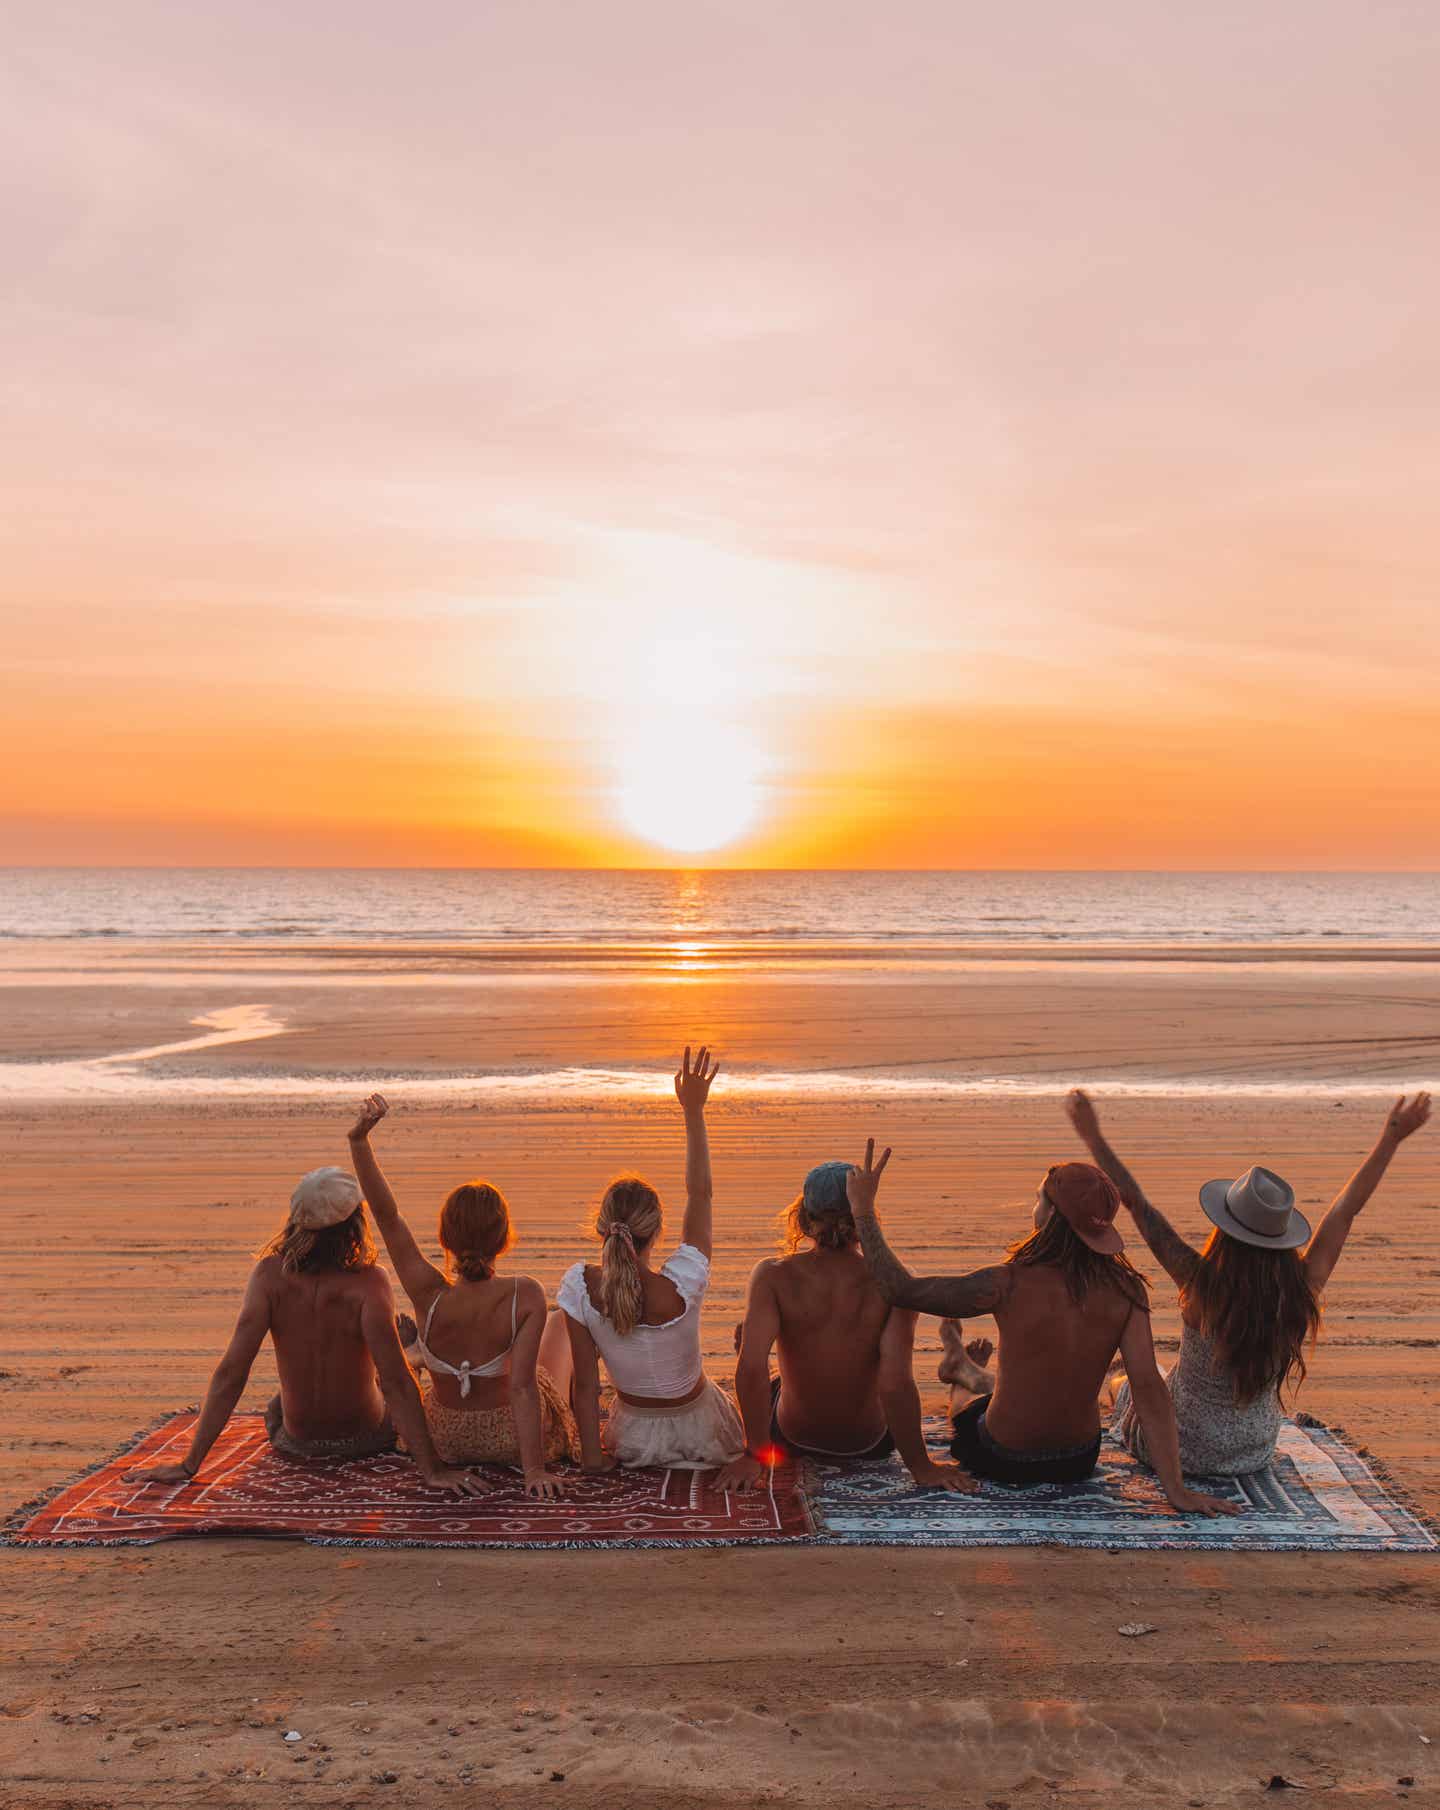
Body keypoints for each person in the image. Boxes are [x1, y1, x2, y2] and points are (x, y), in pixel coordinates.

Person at [849, 1139, 1237, 1515]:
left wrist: (863, 1211)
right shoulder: (1127, 1290)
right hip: (1078, 1461)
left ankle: (959, 1375)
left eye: (1038, 1200)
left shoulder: (1006, 1282)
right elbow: (1148, 1389)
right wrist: (1176, 1489)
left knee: (967, 1408)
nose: (1033, 1208)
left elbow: (898, 1288)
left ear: (1052, 1216)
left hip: (1001, 1457)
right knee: (1005, 1388)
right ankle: (965, 1368)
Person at [1065, 1088, 1432, 1475]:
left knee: (1123, 1379)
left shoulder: (1200, 1282)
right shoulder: (1300, 1287)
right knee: (1158, 1376)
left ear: (1224, 1230)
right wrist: (1390, 1140)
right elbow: (1345, 1211)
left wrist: (1093, 1137)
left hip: (1180, 1448)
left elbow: (1136, 1203)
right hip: (1251, 1453)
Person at [127, 1165, 481, 1494]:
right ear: (356, 1222)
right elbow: (396, 1383)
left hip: (295, 1441)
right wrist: (432, 1470)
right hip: (366, 1438)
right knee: (394, 1376)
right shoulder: (369, 1282)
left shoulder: (267, 1277)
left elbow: (232, 1373)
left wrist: (190, 1464)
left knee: (279, 1401)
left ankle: (407, 1354)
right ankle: (412, 1354)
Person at [347, 1095, 577, 1497]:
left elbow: (387, 1217)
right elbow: (522, 1388)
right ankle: (420, 1355)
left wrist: (359, 1142)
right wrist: (533, 1471)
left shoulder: (426, 1291)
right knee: (559, 1325)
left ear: (444, 1238)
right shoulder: (525, 1293)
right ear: (504, 1239)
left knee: (511, 1359)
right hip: (510, 1438)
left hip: (446, 1439)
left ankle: (420, 1355)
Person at [719, 1156, 971, 1494]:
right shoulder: (895, 1283)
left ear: (803, 1218)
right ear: (865, 1218)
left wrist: (754, 1454)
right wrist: (921, 1467)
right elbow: (896, 1382)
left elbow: (750, 1369)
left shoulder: (772, 1274)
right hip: (870, 1443)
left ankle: (759, 1350)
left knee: (753, 1354)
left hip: (792, 1436)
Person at [558, 1046, 744, 1470]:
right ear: (657, 1231)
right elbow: (701, 1194)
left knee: (557, 1323)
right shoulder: (685, 1280)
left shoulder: (579, 1288)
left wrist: (593, 1459)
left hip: (634, 1440)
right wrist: (693, 1111)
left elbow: (586, 1387)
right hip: (706, 1435)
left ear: (601, 1228)